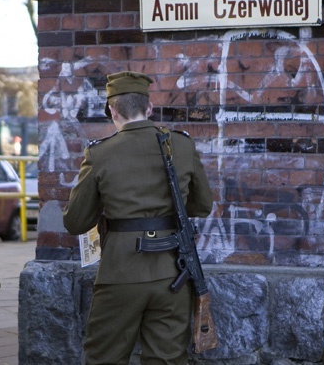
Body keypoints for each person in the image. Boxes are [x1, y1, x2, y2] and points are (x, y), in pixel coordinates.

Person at [63, 71, 213, 365]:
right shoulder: (181, 145)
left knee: (105, 358)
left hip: (121, 272)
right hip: (174, 271)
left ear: (112, 110)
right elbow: (202, 205)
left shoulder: (100, 154)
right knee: (167, 360)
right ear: (150, 108)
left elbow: (76, 222)